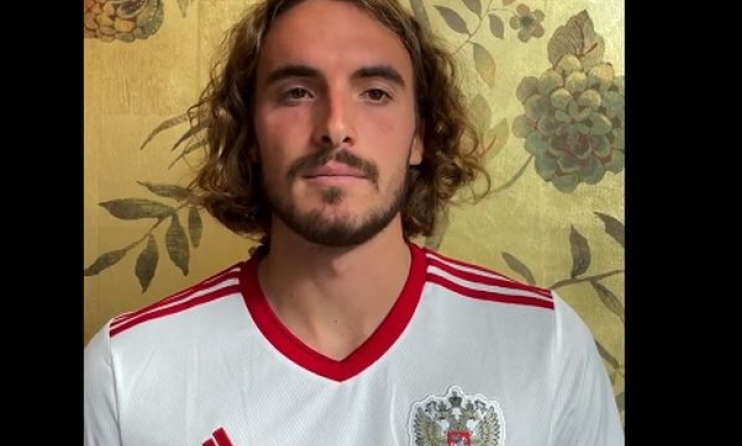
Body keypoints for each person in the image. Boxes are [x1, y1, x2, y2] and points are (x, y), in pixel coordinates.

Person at [84, 0, 624, 444]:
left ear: (420, 136)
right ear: (250, 136)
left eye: (375, 93)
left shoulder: (545, 346)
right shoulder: (126, 370)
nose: (336, 126)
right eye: (297, 92)